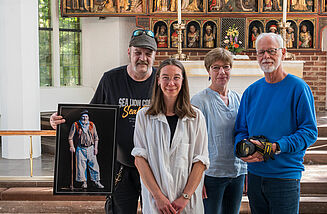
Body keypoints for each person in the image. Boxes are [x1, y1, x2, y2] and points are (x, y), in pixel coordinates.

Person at [50, 28, 158, 214]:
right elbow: (93, 114)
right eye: (137, 52)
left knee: (156, 209)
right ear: (129, 52)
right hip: (120, 164)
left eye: (148, 54)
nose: (143, 58)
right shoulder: (110, 79)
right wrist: (62, 119)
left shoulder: (162, 80)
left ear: (155, 55)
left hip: (154, 163)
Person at [234, 33, 318, 214]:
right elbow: (241, 130)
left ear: (283, 53)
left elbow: (309, 131)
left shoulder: (298, 88)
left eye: (271, 51)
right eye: (261, 52)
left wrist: (276, 147)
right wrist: (241, 149)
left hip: (284, 177)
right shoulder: (251, 92)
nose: (266, 56)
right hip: (255, 175)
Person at [132, 58, 209, 214]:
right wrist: (158, 197)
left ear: (183, 81)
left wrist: (185, 197)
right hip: (156, 202)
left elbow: (201, 161)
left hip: (187, 203)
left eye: (176, 78)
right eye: (166, 77)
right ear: (158, 80)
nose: (171, 83)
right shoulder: (144, 116)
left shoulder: (196, 117)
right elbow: (140, 159)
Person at [191, 48, 247, 214]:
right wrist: (197, 180)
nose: (222, 72)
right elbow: (193, 141)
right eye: (216, 67)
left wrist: (246, 170)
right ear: (208, 70)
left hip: (236, 172)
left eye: (226, 67)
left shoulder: (238, 98)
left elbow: (244, 134)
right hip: (211, 174)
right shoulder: (199, 101)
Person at [68, 110, 104, 189]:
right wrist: (72, 146)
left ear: (88, 117)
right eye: (83, 117)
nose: (85, 118)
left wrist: (96, 148)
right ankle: (84, 182)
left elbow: (96, 138)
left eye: (86, 117)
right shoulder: (76, 125)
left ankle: (96, 181)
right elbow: (70, 137)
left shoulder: (91, 125)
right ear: (81, 117)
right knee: (81, 166)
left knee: (94, 165)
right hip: (80, 148)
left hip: (90, 148)